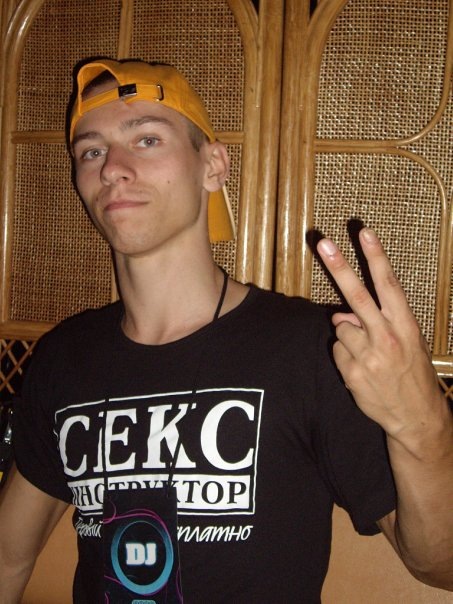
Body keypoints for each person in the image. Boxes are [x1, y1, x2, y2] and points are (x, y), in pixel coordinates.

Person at [0, 58, 452, 603]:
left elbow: (438, 565)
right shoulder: (65, 357)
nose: (113, 167)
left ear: (212, 165)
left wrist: (423, 426)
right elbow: (9, 556)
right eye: (91, 152)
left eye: (146, 140)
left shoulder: (314, 348)